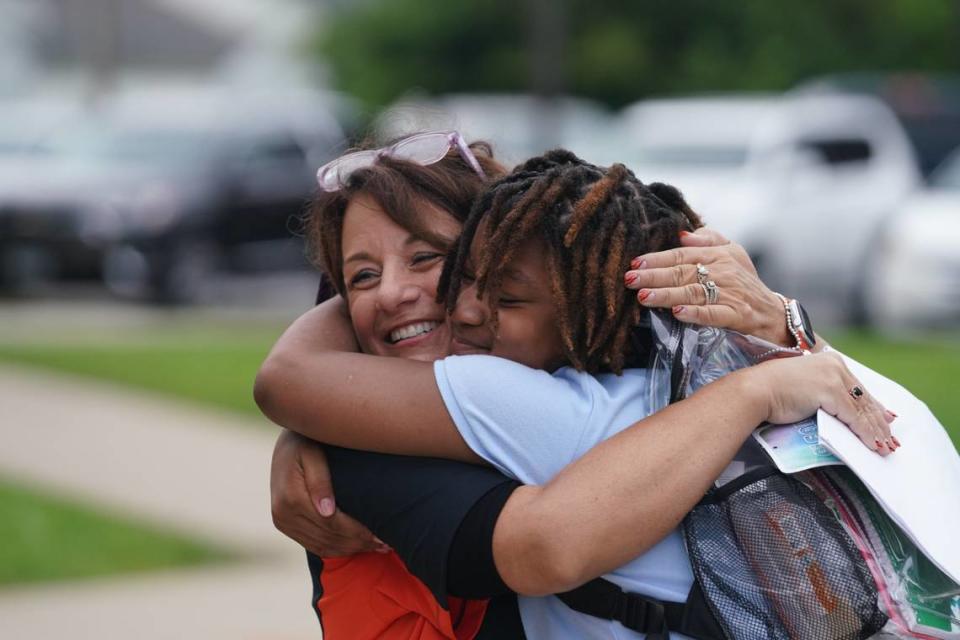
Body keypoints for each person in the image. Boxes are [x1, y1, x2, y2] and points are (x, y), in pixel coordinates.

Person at [256, 145, 895, 638]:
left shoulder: (546, 395)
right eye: (359, 277)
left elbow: (296, 380)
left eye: (432, 261)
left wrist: (775, 330)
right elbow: (292, 383)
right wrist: (770, 359)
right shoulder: (674, 373)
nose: (395, 291)